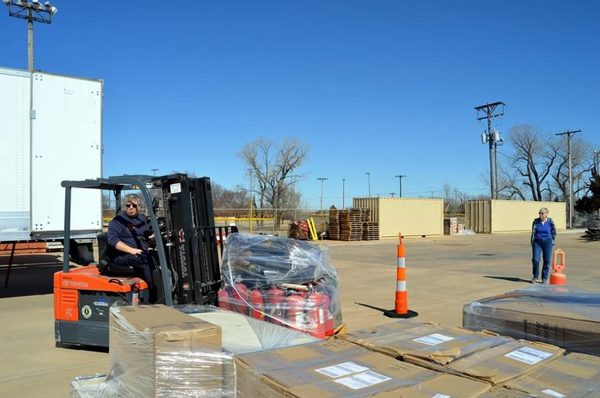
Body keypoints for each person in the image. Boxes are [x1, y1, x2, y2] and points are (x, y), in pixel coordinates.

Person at [107, 193, 153, 288]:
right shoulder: (118, 220)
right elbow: (113, 240)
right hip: (122, 255)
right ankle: (152, 293)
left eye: (134, 205)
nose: (131, 207)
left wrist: (152, 238)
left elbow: (149, 233)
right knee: (145, 260)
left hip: (141, 252)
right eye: (128, 205)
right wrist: (131, 250)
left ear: (139, 206)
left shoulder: (143, 219)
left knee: (160, 257)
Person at [530, 207, 556, 284]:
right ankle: (535, 276)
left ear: (546, 214)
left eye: (542, 213)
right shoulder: (535, 222)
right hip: (537, 242)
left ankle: (544, 278)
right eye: (539, 213)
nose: (540, 214)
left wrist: (552, 241)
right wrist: (532, 241)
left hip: (547, 242)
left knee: (547, 261)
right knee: (535, 260)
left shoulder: (550, 222)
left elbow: (553, 232)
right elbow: (533, 232)